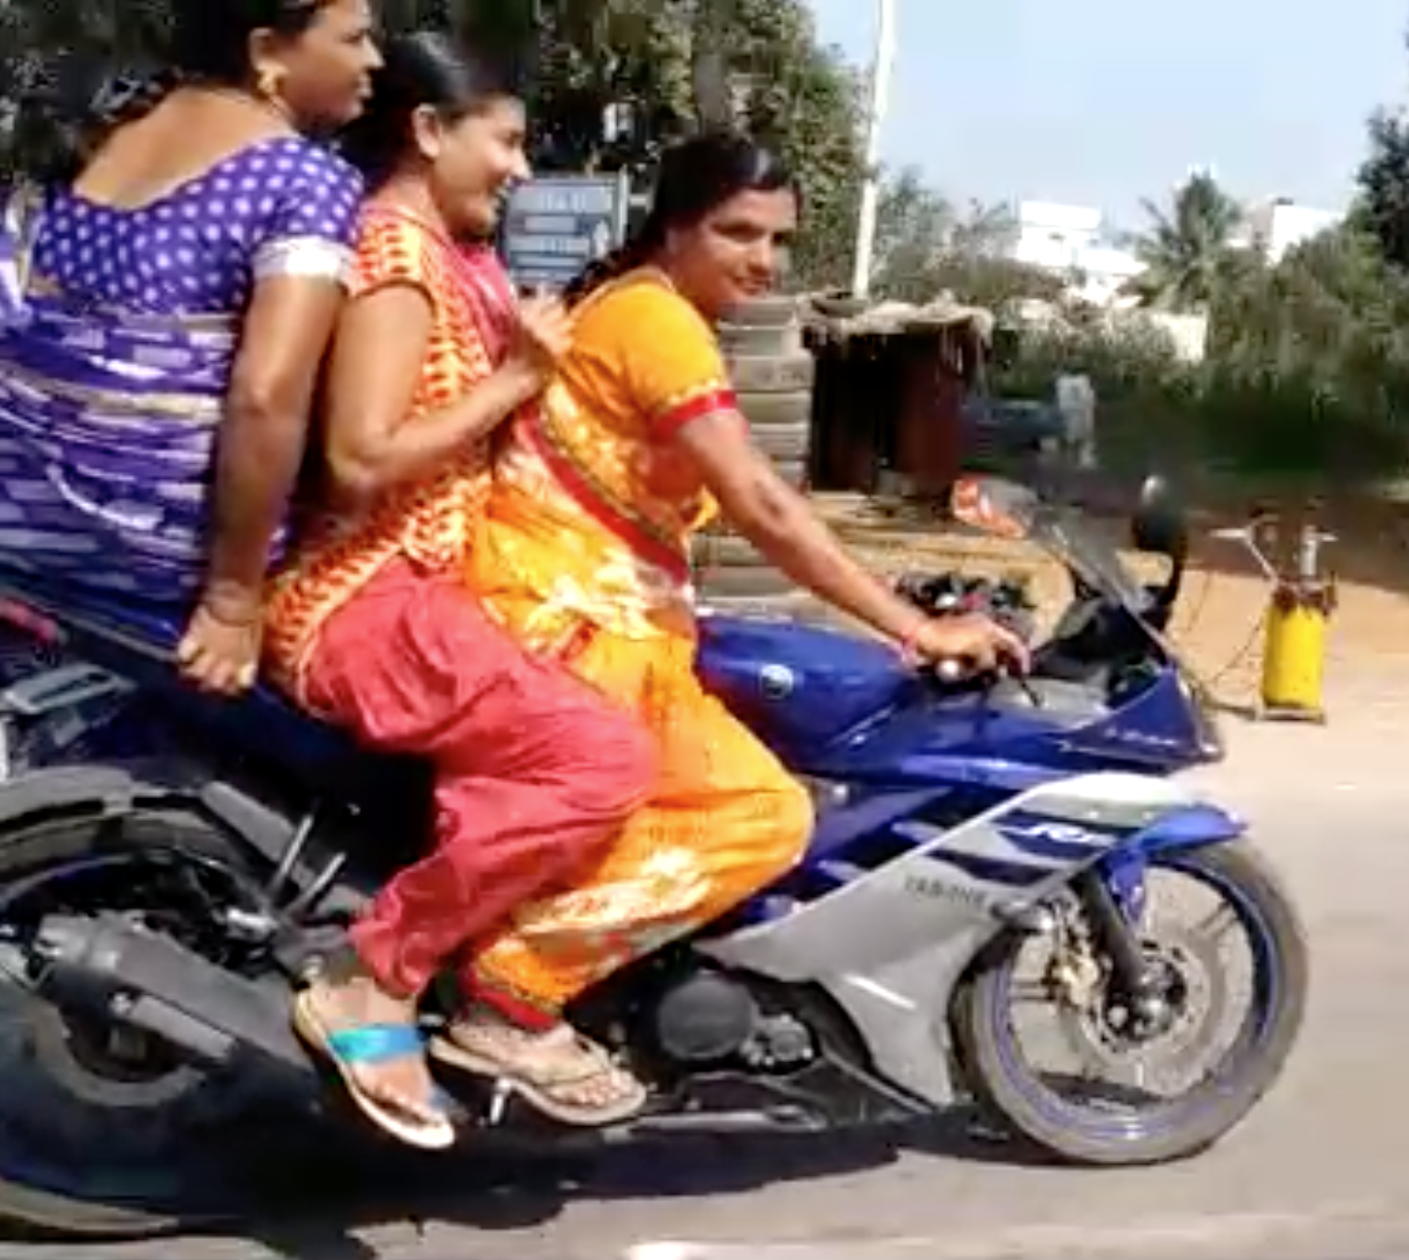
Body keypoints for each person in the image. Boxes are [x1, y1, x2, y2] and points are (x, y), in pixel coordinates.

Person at [442, 133, 1028, 1116]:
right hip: (571, 625)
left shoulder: (639, 308)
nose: (763, 259)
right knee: (763, 813)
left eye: (778, 240)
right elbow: (759, 502)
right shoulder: (655, 323)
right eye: (736, 232)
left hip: (589, 613)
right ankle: (512, 992)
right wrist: (910, 627)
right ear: (673, 228)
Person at [265, 32, 658, 1149]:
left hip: (433, 592)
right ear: (430, 133)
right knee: (599, 759)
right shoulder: (392, 257)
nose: (522, 170)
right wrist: (518, 377)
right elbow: (360, 457)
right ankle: (376, 978)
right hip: (364, 600)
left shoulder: (457, 254)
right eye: (508, 141)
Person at [0, 0, 380, 694]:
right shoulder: (302, 182)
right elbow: (266, 397)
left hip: (24, 533)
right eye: (354, 39)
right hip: (150, 556)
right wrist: (233, 600)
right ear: (267, 52)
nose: (373, 61)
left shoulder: (96, 134)